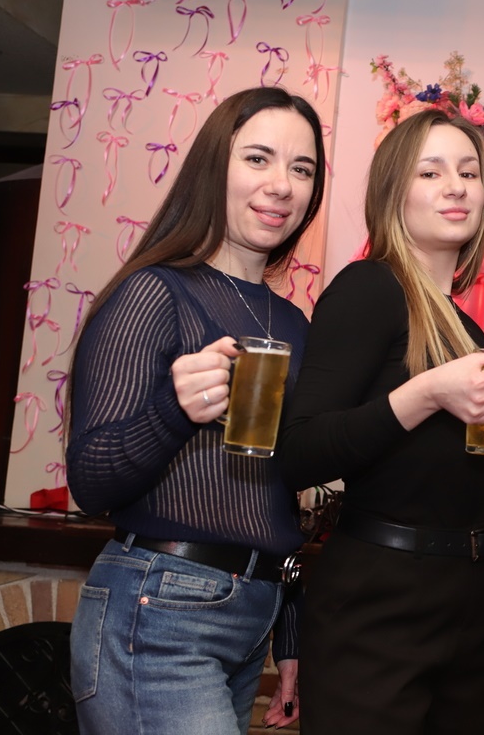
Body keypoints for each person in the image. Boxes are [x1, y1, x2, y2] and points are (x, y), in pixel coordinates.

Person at [66, 86, 326, 733]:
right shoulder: (154, 292)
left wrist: (290, 636)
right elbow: (90, 482)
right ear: (214, 166)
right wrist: (174, 410)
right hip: (158, 607)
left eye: (302, 168)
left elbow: (278, 496)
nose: (282, 185)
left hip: (254, 611)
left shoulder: (294, 324)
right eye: (258, 158)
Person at [279, 108, 484, 735]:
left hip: (470, 598)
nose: (456, 187)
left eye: (469, 172)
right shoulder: (368, 288)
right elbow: (299, 452)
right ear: (393, 192)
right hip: (380, 602)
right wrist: (427, 393)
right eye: (430, 172)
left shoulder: (465, 329)